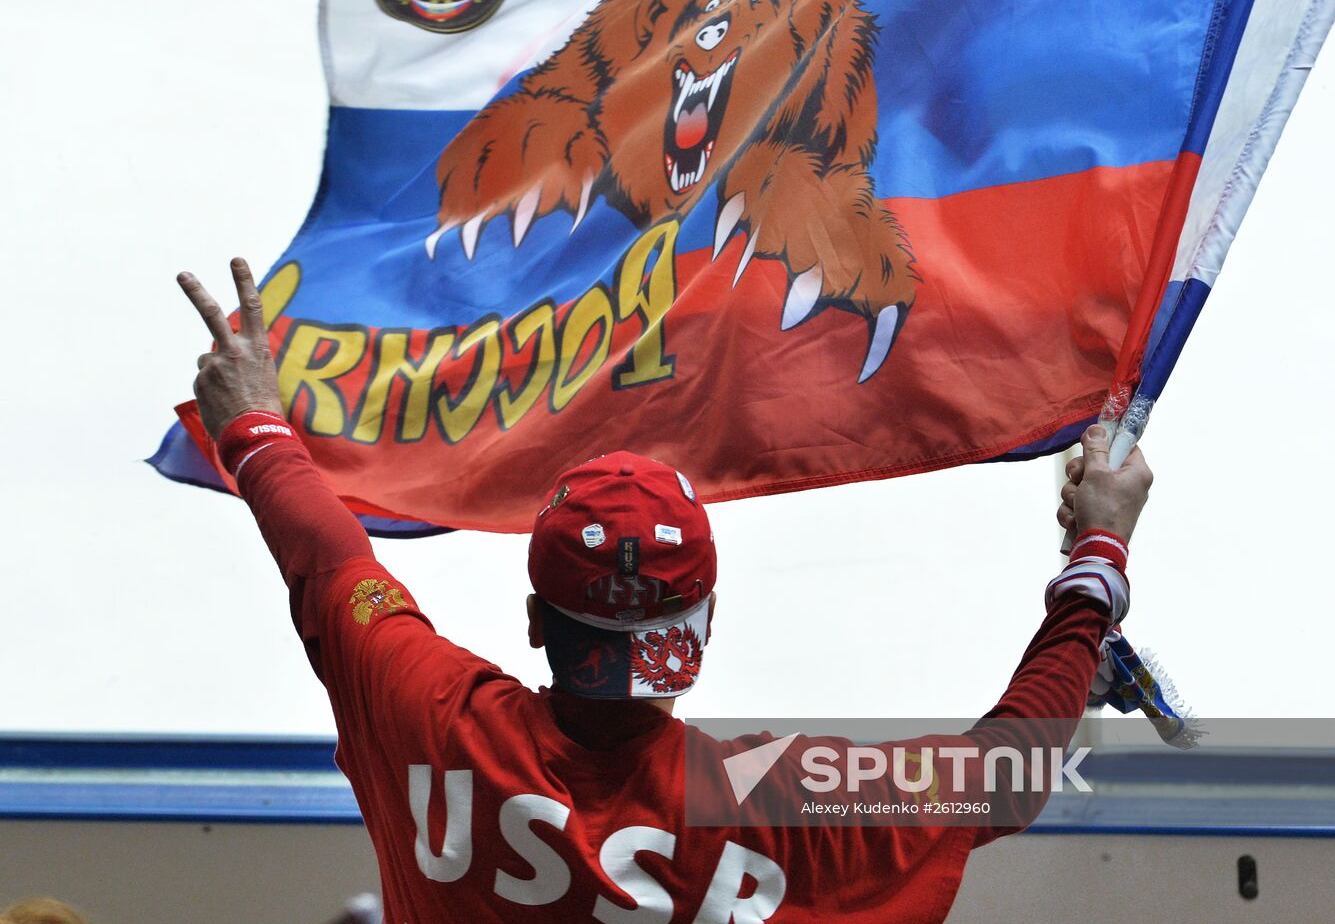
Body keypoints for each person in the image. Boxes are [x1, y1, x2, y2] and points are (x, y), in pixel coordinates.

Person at [178, 259, 1153, 922]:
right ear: (705, 626)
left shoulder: (429, 712)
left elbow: (331, 559)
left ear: (535, 618)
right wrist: (1094, 559)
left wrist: (257, 425)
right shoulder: (775, 801)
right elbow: (1008, 770)